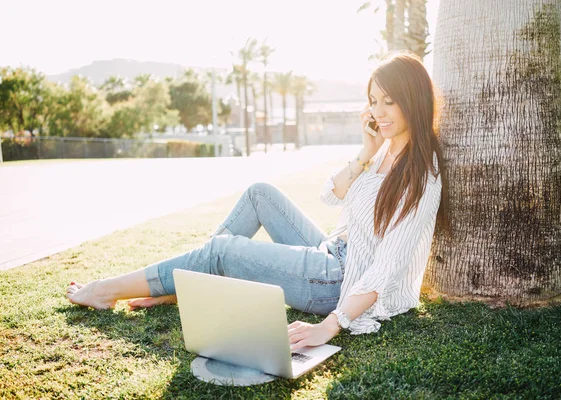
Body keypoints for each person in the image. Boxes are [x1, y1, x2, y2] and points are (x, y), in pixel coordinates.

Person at [66, 51, 449, 352]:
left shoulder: (422, 173)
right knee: (259, 194)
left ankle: (109, 290)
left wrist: (329, 325)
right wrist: (366, 151)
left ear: (412, 101)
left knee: (225, 252)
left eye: (389, 103)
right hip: (332, 252)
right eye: (373, 102)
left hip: (337, 281)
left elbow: (386, 267)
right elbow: (330, 196)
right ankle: (191, 282)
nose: (378, 113)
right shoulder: (383, 148)